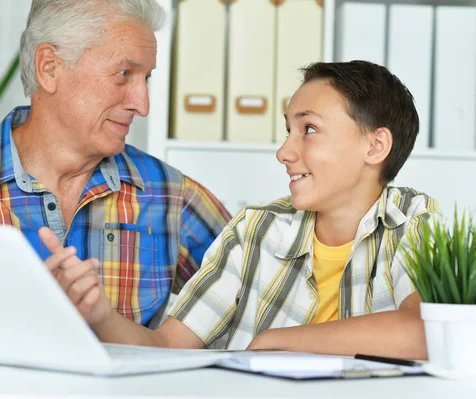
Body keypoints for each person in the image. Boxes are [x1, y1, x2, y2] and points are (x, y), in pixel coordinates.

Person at [0, 0, 231, 343]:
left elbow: (253, 315)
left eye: (146, 78)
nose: (143, 104)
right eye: (124, 74)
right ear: (49, 67)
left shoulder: (170, 193)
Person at [42, 60, 441, 360]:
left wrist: (278, 341)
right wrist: (97, 314)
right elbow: (165, 346)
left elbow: (425, 333)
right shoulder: (256, 231)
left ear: (375, 146)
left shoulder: (415, 225)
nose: (285, 152)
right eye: (288, 130)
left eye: (310, 129)